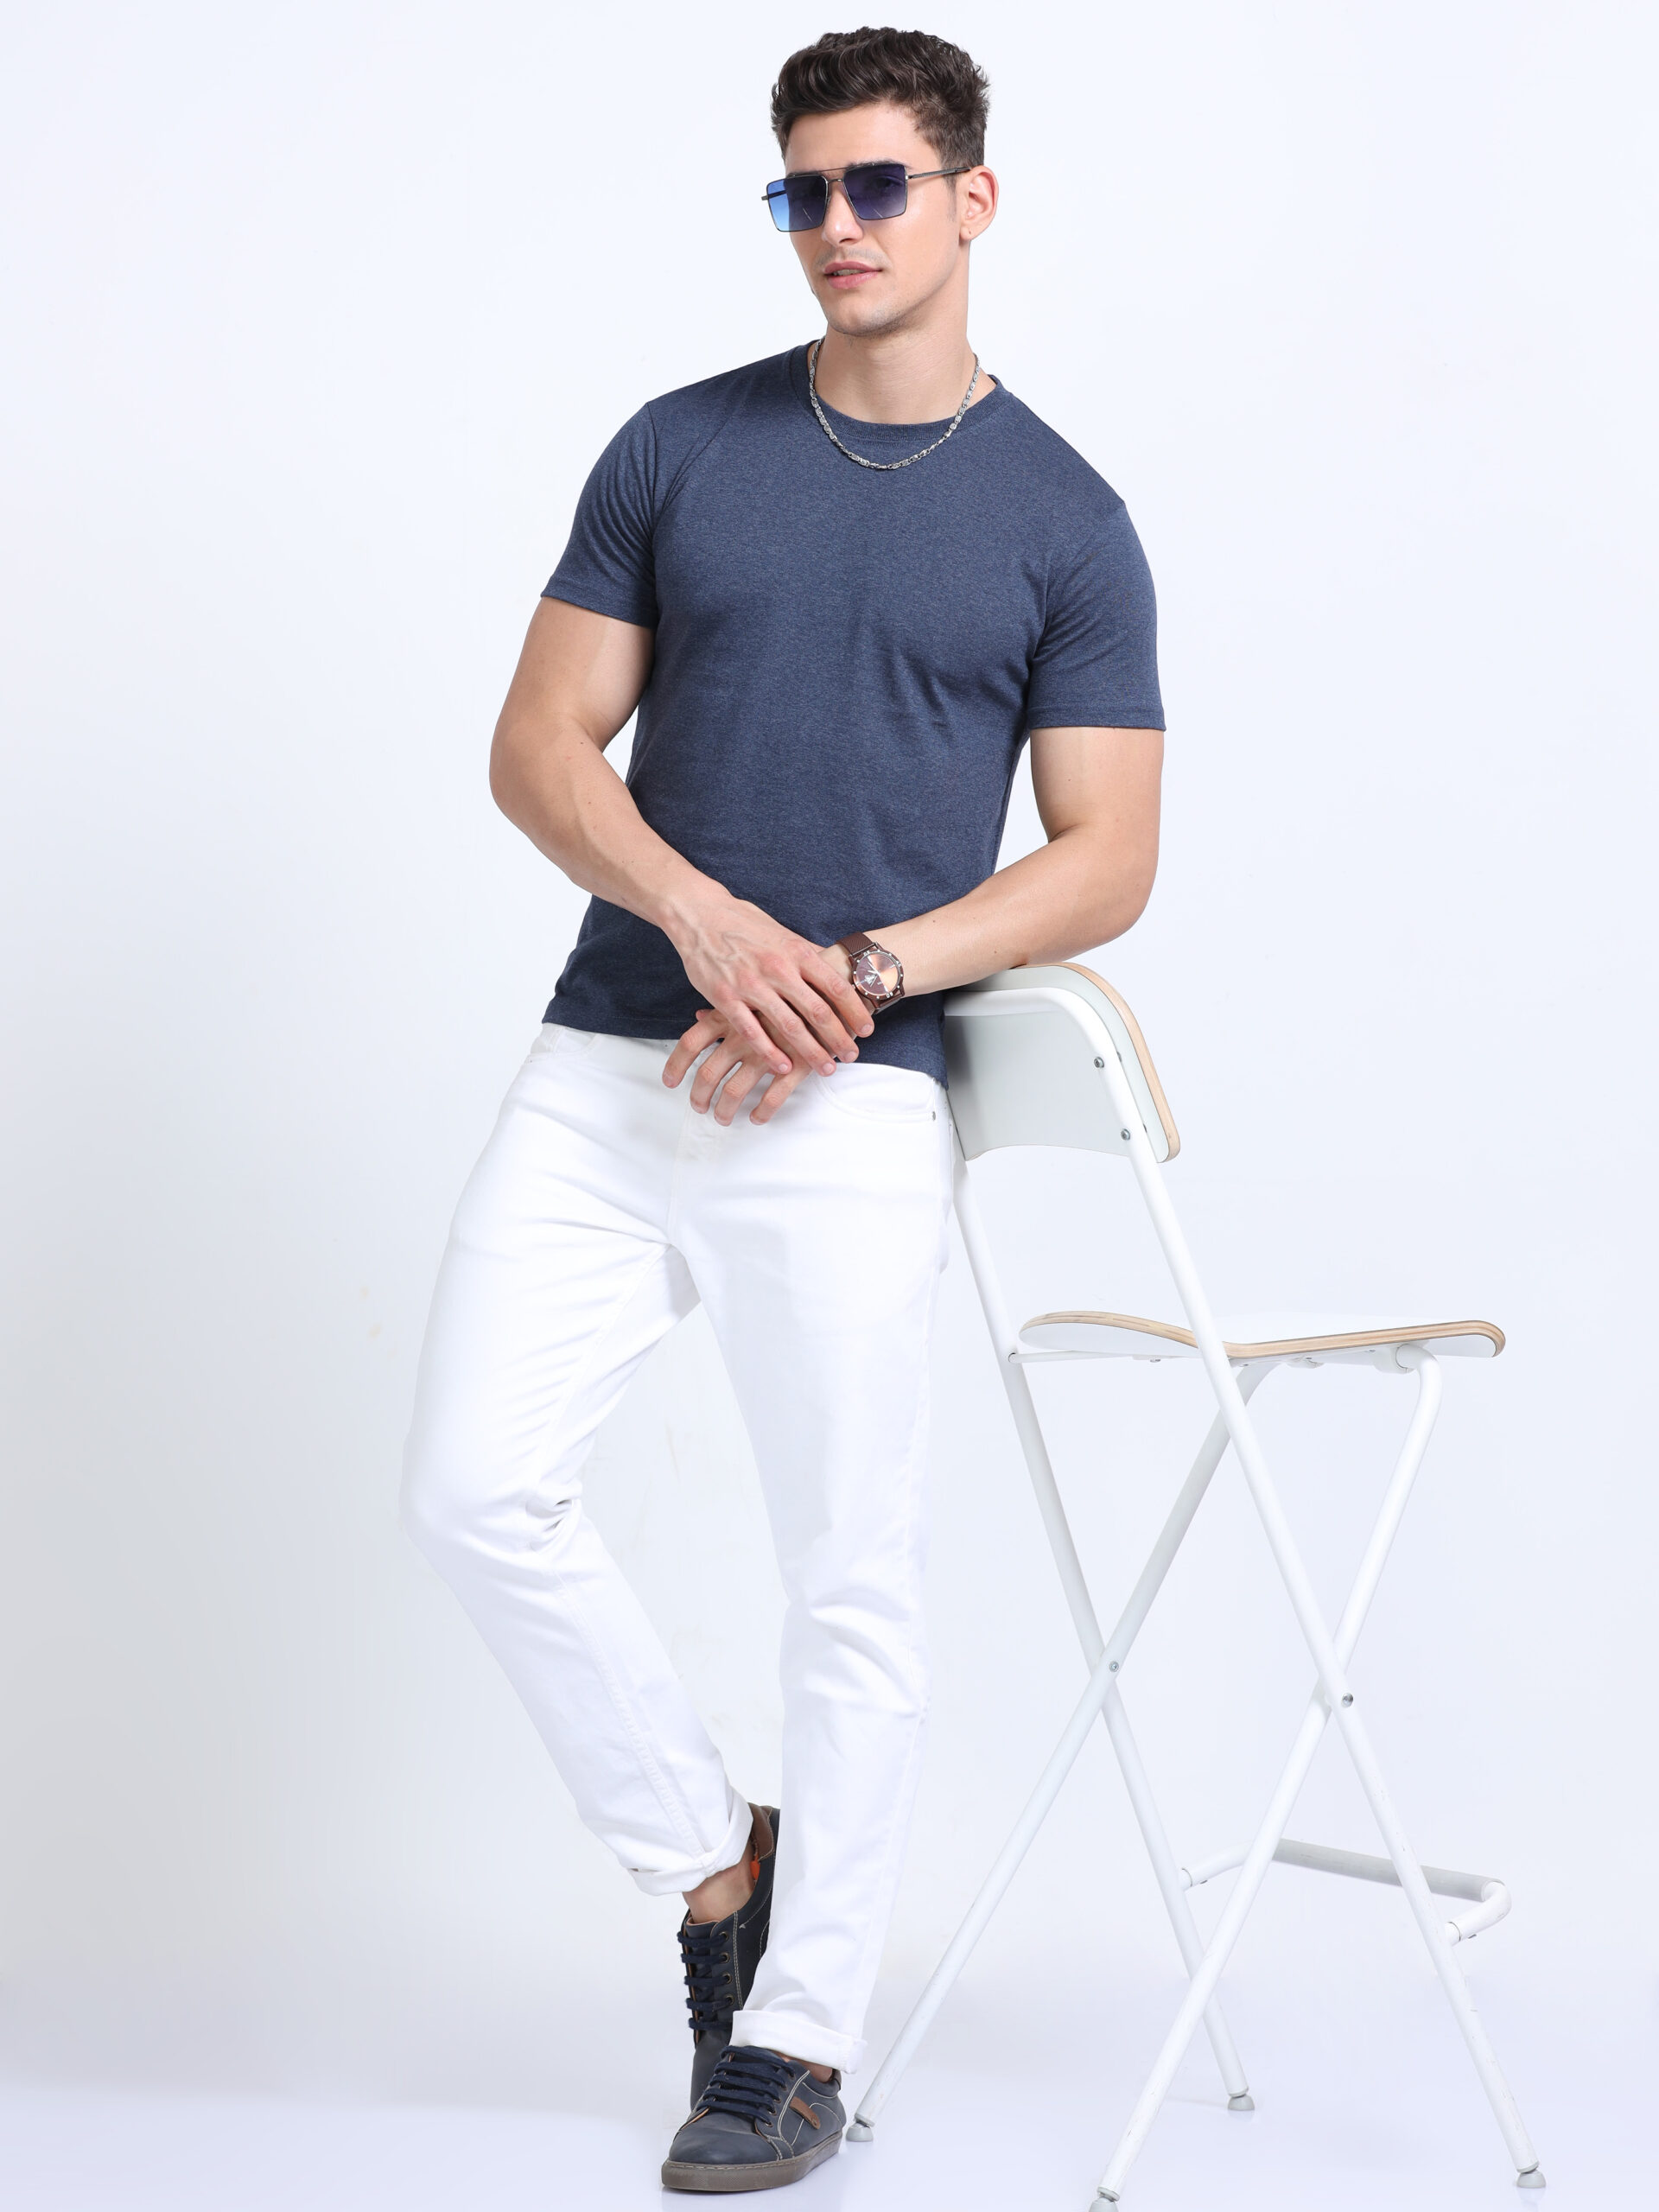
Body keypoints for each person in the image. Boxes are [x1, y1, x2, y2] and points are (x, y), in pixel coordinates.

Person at [400, 23, 1165, 2193]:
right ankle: (711, 1852)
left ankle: (801, 2036)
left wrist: (860, 972)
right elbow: (538, 746)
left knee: (851, 1578)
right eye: (803, 191)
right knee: (471, 1485)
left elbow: (1107, 853)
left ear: (971, 201)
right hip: (611, 1059)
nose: (837, 224)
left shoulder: (1068, 521)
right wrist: (706, 917)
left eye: (876, 185)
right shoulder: (680, 448)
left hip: (845, 1101)